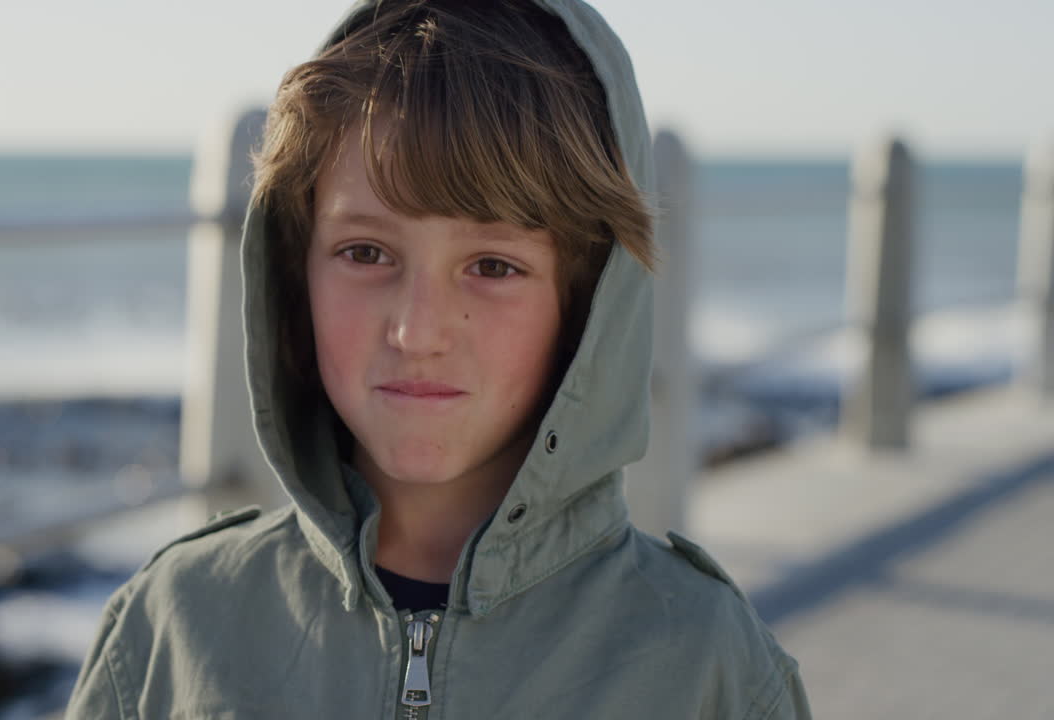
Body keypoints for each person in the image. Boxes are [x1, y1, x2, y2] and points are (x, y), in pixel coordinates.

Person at [65, 1, 812, 718]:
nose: (418, 331)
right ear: (295, 275)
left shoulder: (703, 661)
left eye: (492, 267)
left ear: (587, 302)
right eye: (366, 253)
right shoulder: (175, 629)